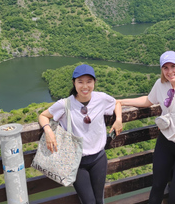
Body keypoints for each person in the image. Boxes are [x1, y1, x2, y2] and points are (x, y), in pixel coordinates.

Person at [119, 51, 175, 204]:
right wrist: (121, 102)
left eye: (173, 66)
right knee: (157, 186)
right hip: (165, 142)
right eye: (165, 68)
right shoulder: (160, 85)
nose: (169, 71)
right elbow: (148, 100)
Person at [38, 64, 123, 204]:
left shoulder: (101, 99)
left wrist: (119, 119)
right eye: (80, 82)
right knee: (88, 201)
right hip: (77, 162)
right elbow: (43, 115)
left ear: (94, 82)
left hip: (99, 158)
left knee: (99, 200)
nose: (85, 86)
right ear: (74, 83)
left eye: (89, 81)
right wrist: (48, 130)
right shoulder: (65, 104)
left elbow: (116, 103)